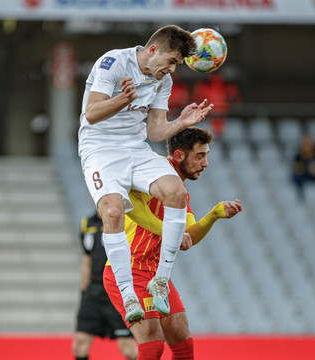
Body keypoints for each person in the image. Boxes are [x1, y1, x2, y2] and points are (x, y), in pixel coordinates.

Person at [78, 24, 214, 324]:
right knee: (112, 211)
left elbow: (154, 131)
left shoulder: (162, 80)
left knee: (176, 192)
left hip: (135, 148)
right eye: (172, 61)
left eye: (176, 64)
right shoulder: (112, 62)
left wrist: (181, 122)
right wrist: (122, 100)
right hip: (100, 148)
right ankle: (128, 294)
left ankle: (161, 281)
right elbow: (91, 113)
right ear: (153, 50)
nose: (172, 69)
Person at [104, 127, 243, 360]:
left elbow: (186, 237)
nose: (206, 163)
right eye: (200, 156)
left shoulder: (179, 193)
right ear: (178, 156)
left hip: (157, 274)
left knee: (183, 342)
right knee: (152, 344)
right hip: (129, 268)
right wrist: (168, 231)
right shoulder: (152, 171)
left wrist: (214, 215)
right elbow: (129, 202)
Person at [72, 212, 137, 360]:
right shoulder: (87, 223)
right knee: (80, 344)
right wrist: (84, 294)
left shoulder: (126, 220)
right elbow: (87, 259)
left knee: (127, 347)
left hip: (117, 292)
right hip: (93, 292)